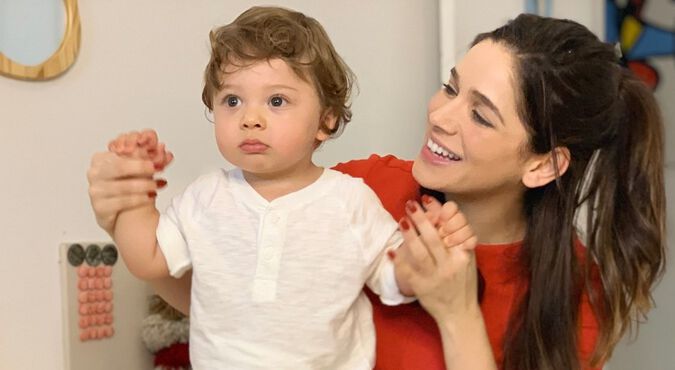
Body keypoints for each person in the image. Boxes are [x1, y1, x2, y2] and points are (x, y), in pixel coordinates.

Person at [87, 13, 666, 370]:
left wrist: (457, 312)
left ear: (543, 164)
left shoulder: (573, 292)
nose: (441, 117)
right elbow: (251, 309)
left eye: (481, 116)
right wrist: (123, 216)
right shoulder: (362, 187)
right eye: (450, 87)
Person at [102, 6, 470, 370]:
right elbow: (147, 257)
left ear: (325, 121)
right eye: (232, 100)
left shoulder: (349, 201)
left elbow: (394, 280)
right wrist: (133, 193)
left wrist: (427, 248)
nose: (250, 119)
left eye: (276, 101)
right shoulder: (205, 196)